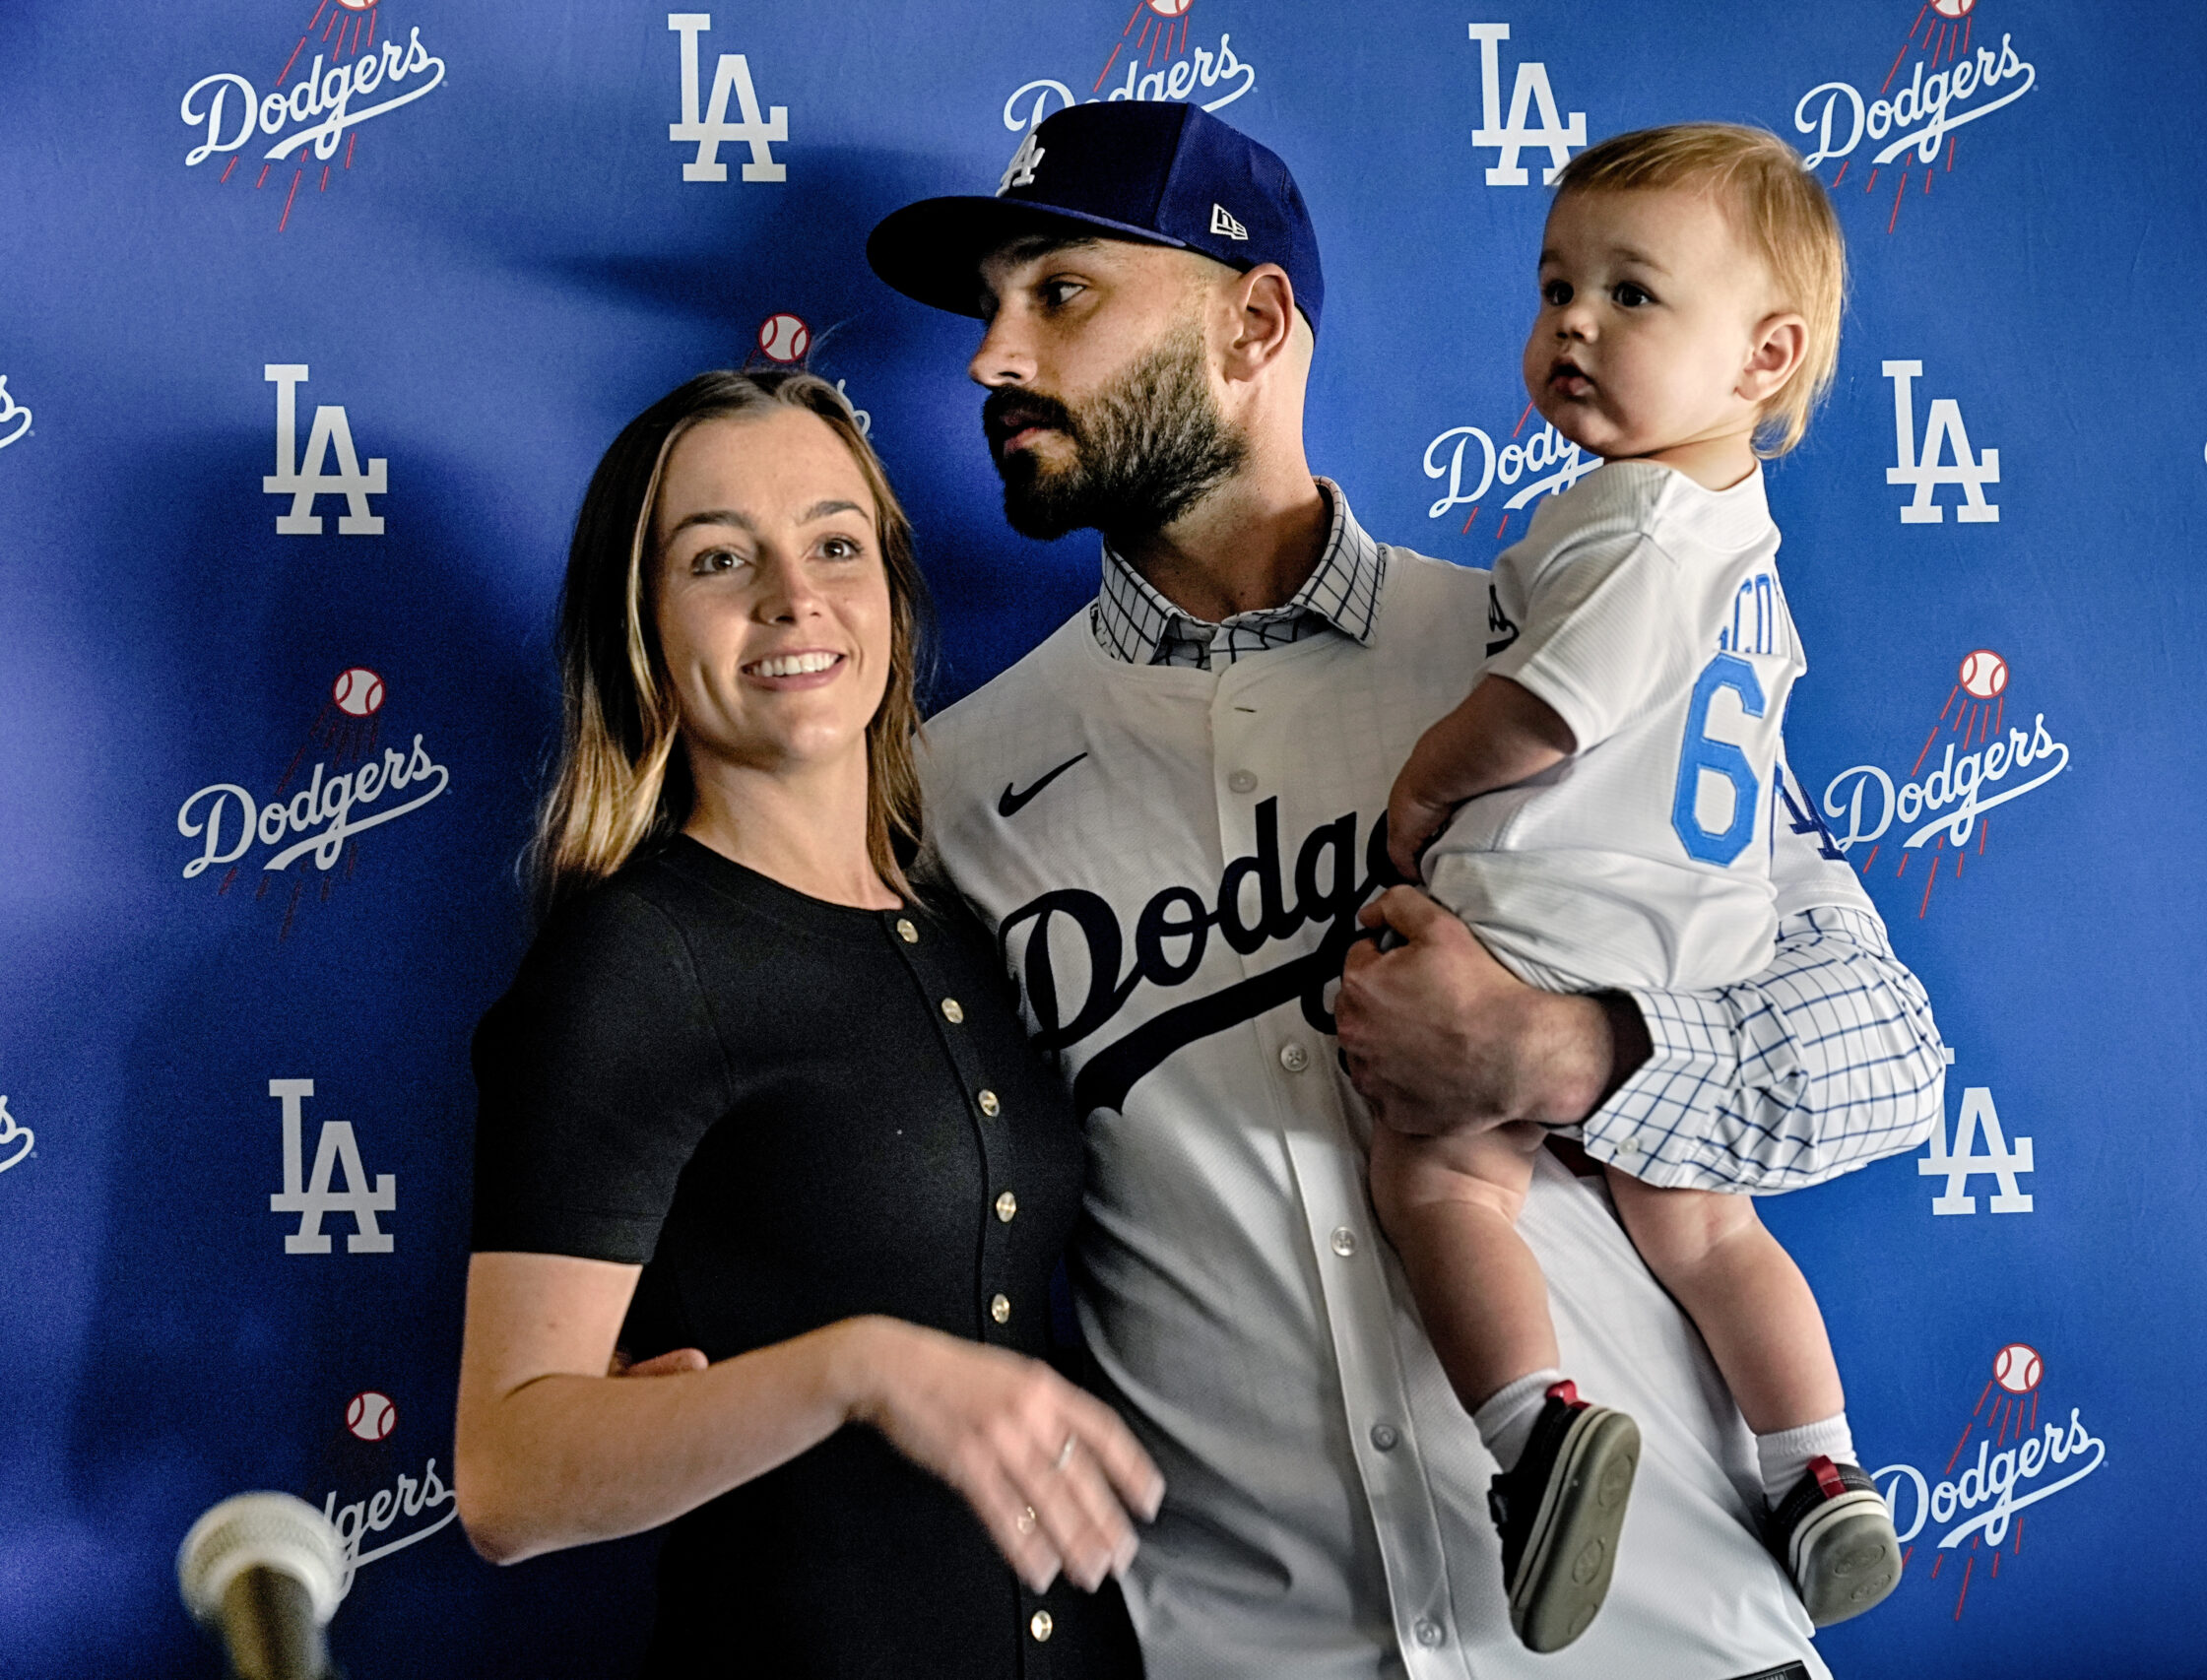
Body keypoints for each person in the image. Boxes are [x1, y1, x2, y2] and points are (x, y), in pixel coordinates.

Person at [866, 100, 1946, 1680]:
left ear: (1254, 320)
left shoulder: (1547, 637)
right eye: (988, 310)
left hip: (1671, 1639)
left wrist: (1568, 1053)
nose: (991, 356)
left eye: (1062, 292)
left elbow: (1883, 1049)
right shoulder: (947, 793)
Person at [452, 368, 1161, 1678]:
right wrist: (856, 1368)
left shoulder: (970, 913)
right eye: (720, 558)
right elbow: (508, 1476)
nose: (794, 595)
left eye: (835, 543)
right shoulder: (637, 959)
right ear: (645, 624)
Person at [1372, 124, 1899, 1648]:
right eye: (1556, 287)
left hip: (1545, 926)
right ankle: (1817, 1469)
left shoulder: (1633, 522)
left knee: (1442, 1178)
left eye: (1633, 294)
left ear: (1765, 358)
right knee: (1715, 1237)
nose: (1574, 325)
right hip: (1690, 965)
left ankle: (1537, 1435)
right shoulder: (1746, 552)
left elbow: (1553, 702)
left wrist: (1428, 774)